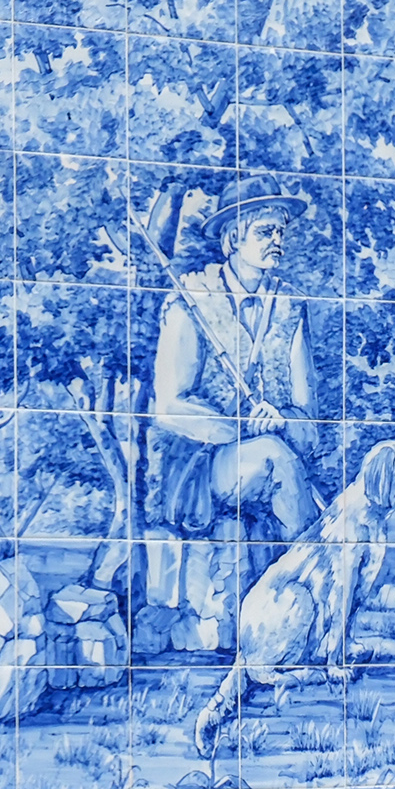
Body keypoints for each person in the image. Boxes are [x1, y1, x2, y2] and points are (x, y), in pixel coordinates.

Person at [146, 175, 321, 545]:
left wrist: (283, 419)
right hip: (198, 465)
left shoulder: (291, 306)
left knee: (277, 454)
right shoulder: (191, 300)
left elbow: (309, 423)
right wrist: (242, 428)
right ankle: (308, 562)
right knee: (273, 456)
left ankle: (304, 563)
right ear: (234, 237)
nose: (277, 241)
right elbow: (170, 408)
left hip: (272, 455)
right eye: (265, 231)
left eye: (280, 231)